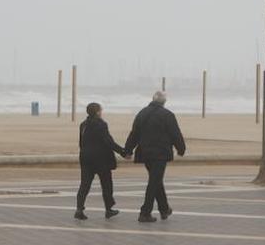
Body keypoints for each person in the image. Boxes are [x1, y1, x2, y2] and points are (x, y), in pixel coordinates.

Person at [124, 90, 186, 222]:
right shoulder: (168, 115)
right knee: (154, 182)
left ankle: (164, 209)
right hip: (160, 153)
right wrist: (181, 149)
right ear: (164, 102)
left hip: (145, 153)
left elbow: (134, 133)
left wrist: (128, 150)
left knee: (156, 180)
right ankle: (145, 212)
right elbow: (175, 133)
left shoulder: (142, 113)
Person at [76, 102, 127, 220]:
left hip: (86, 158)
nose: (101, 112)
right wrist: (122, 152)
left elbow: (81, 142)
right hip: (101, 159)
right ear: (98, 112)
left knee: (85, 184)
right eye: (101, 110)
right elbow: (108, 142)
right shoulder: (101, 124)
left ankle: (79, 209)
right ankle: (108, 209)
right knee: (106, 184)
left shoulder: (83, 124)